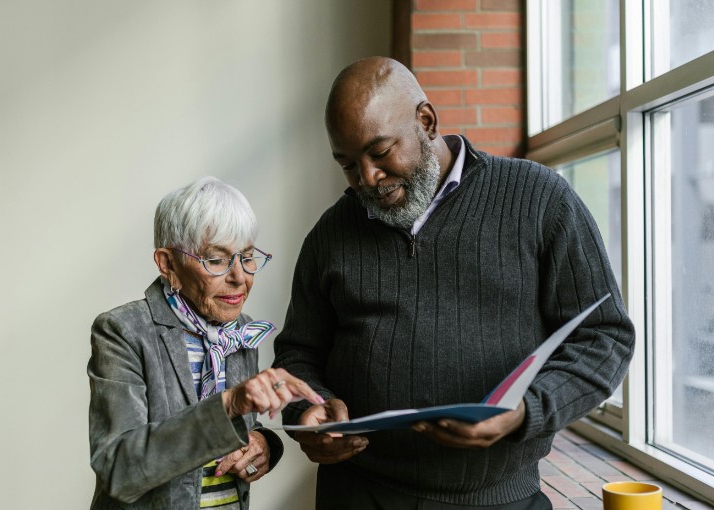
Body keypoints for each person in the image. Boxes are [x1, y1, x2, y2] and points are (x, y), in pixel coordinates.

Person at [272, 56, 636, 509]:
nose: (367, 178)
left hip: (500, 500)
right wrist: (309, 414)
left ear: (426, 121)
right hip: (359, 494)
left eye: (381, 152)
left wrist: (527, 412)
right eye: (347, 163)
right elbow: (297, 355)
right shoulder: (331, 233)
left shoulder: (540, 199)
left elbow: (605, 337)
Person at [88, 176, 324, 510]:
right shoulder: (123, 331)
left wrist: (264, 443)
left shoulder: (240, 331)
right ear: (168, 263)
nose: (239, 277)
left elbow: (247, 427)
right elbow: (118, 468)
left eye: (246, 256)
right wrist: (226, 405)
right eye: (216, 259)